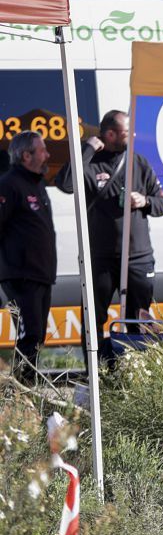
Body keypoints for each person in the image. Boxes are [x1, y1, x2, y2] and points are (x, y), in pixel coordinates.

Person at [55, 109, 163, 363]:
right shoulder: (92, 163)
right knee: (94, 319)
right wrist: (87, 148)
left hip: (137, 258)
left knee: (138, 319)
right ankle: (96, 373)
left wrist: (145, 201)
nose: (133, 135)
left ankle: (139, 372)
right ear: (110, 134)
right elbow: (66, 184)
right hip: (102, 259)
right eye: (127, 132)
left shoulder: (138, 163)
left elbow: (162, 205)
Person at [0, 131, 55, 384]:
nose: (48, 155)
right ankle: (22, 392)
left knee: (37, 337)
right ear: (26, 155)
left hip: (40, 275)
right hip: (20, 276)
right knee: (29, 335)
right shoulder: (9, 184)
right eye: (42, 150)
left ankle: (26, 387)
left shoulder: (37, 184)